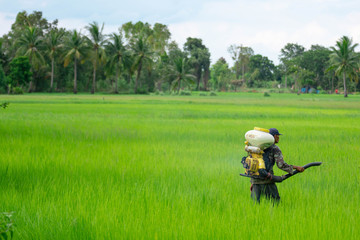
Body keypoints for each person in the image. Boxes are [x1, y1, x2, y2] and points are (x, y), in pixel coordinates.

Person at [250, 128, 305, 203]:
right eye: (277, 135)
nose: (278, 137)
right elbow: (281, 165)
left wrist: (252, 183)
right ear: (274, 136)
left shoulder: (257, 147)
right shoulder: (274, 148)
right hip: (268, 181)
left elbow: (252, 164)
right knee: (275, 204)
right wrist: (296, 167)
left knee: (255, 206)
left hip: (255, 181)